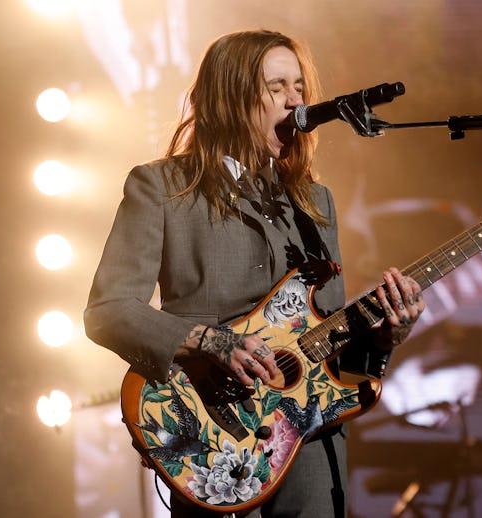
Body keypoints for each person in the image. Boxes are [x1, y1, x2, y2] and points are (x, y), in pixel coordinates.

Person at [84, 29, 426, 518]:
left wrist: (386, 336)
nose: (295, 101)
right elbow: (108, 310)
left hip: (308, 439)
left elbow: (331, 339)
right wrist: (213, 342)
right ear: (229, 97)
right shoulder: (162, 187)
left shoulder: (314, 202)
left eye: (300, 88)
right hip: (212, 427)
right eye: (276, 87)